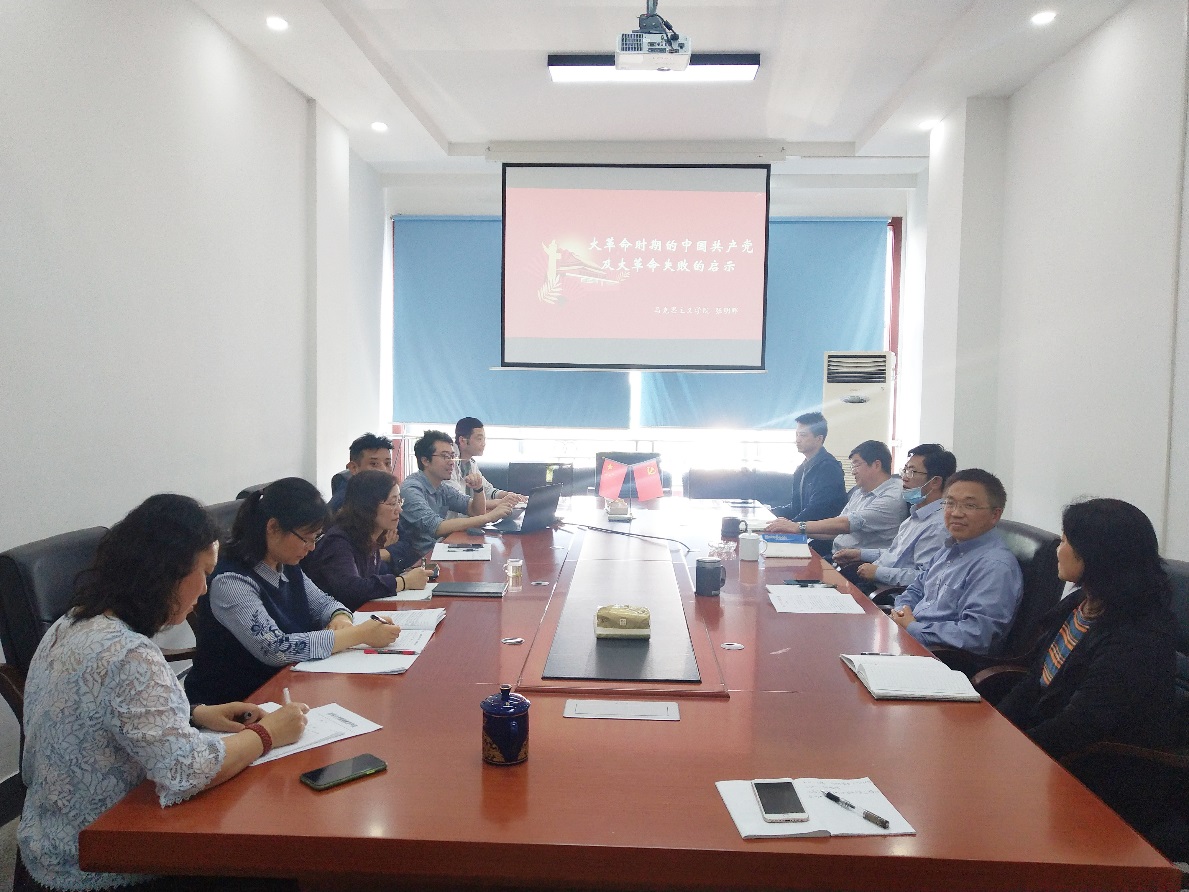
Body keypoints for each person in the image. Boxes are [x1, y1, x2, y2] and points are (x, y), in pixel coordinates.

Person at [16, 494, 309, 892]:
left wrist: (196, 713)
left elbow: (106, 711)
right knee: (278, 862)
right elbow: (186, 772)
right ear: (166, 573)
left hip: (48, 842)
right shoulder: (130, 653)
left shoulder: (70, 623)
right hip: (106, 857)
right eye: (203, 573)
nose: (204, 589)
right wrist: (268, 733)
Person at [996, 498, 1177, 833]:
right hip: (1050, 750)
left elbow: (1081, 725)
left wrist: (1011, 754)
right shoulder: (1081, 603)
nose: (1058, 549)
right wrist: (995, 730)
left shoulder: (1138, 634)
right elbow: (1035, 679)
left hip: (1099, 773)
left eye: (1066, 541)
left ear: (1096, 555)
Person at [185, 477, 400, 705]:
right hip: (238, 702)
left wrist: (340, 619)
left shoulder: (285, 564)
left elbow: (325, 603)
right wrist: (358, 634)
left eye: (315, 537)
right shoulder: (231, 581)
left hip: (292, 683)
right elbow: (276, 648)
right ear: (273, 527)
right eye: (306, 538)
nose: (312, 547)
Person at [891, 469, 1023, 656]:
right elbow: (916, 589)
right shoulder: (949, 548)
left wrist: (913, 627)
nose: (956, 513)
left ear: (995, 515)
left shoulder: (995, 566)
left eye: (970, 505)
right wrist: (900, 613)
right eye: (950, 503)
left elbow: (976, 634)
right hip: (908, 638)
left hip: (941, 658)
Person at [833, 444, 955, 592]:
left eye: (912, 472)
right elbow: (896, 554)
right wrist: (860, 553)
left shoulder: (937, 526)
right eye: (905, 470)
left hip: (888, 595)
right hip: (872, 582)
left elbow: (926, 577)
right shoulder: (916, 514)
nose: (904, 478)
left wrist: (878, 572)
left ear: (935, 482)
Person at [303, 470, 432, 609]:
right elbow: (352, 589)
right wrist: (404, 582)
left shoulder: (372, 535)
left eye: (399, 501)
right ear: (368, 506)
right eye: (392, 503)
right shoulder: (338, 541)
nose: (399, 509)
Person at [389, 430, 514, 569]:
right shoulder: (411, 489)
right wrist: (489, 517)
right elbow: (437, 527)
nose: (451, 462)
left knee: (492, 559)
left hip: (440, 551)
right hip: (418, 563)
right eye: (445, 456)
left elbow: (475, 511)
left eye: (452, 456)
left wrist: (478, 489)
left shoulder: (441, 487)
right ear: (425, 460)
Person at [765, 439, 906, 557]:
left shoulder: (892, 496)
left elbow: (846, 524)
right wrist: (795, 530)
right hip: (836, 555)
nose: (853, 472)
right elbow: (836, 530)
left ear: (876, 465)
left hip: (861, 565)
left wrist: (798, 526)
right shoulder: (860, 492)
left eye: (856, 464)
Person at [771, 411, 847, 522]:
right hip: (804, 528)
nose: (797, 440)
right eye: (797, 434)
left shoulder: (829, 468)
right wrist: (767, 511)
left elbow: (817, 511)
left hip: (822, 531)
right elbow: (796, 508)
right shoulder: (801, 469)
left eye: (803, 435)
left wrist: (790, 526)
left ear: (819, 439)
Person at [444, 417, 525, 518]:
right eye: (479, 439)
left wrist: (508, 495)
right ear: (462, 440)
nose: (483, 443)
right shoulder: (448, 465)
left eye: (484, 439)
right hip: (452, 523)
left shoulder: (471, 463)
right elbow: (461, 501)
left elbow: (487, 490)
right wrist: (500, 502)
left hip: (467, 520)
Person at [328, 432, 393, 512]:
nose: (384, 470)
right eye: (374, 464)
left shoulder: (383, 495)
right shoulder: (345, 504)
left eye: (387, 463)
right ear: (354, 468)